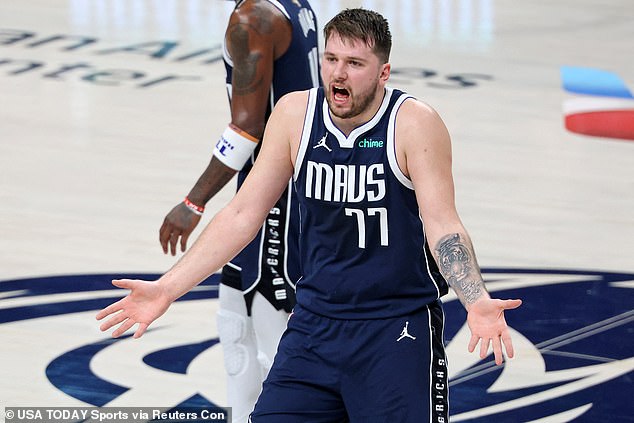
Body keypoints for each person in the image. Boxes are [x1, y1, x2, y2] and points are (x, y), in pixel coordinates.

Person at [98, 8, 522, 422]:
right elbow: (244, 212)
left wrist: (476, 299)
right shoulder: (294, 114)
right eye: (331, 59)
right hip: (313, 327)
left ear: (383, 73)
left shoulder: (414, 124)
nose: (339, 73)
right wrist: (168, 288)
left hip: (394, 330)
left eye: (355, 63)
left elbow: (443, 225)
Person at [157, 1, 319, 421]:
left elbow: (247, 127)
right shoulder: (291, 5)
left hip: (275, 198)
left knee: (273, 351)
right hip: (273, 187)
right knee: (235, 328)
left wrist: (193, 202)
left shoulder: (253, 20)